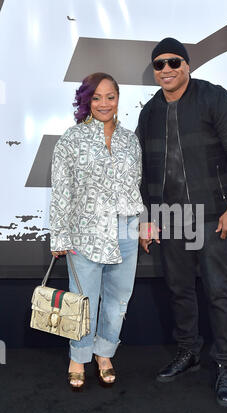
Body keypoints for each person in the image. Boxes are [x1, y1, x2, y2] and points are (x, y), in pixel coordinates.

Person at [138, 38, 227, 407]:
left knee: (218, 292)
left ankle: (226, 366)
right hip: (169, 217)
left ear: (186, 65)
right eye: (160, 64)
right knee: (179, 289)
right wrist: (146, 216)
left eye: (174, 62)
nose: (167, 69)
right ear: (155, 71)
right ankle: (188, 353)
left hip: (210, 214)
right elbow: (140, 169)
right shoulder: (151, 111)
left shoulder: (212, 97)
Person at [50, 72, 144, 391]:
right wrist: (60, 236)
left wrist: (140, 224)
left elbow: (135, 185)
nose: (104, 103)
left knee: (118, 300)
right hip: (84, 231)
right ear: (87, 101)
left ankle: (104, 354)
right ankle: (79, 357)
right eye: (97, 97)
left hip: (126, 230)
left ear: (118, 99)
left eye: (110, 97)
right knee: (82, 301)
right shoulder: (71, 139)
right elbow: (61, 191)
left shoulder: (130, 139)